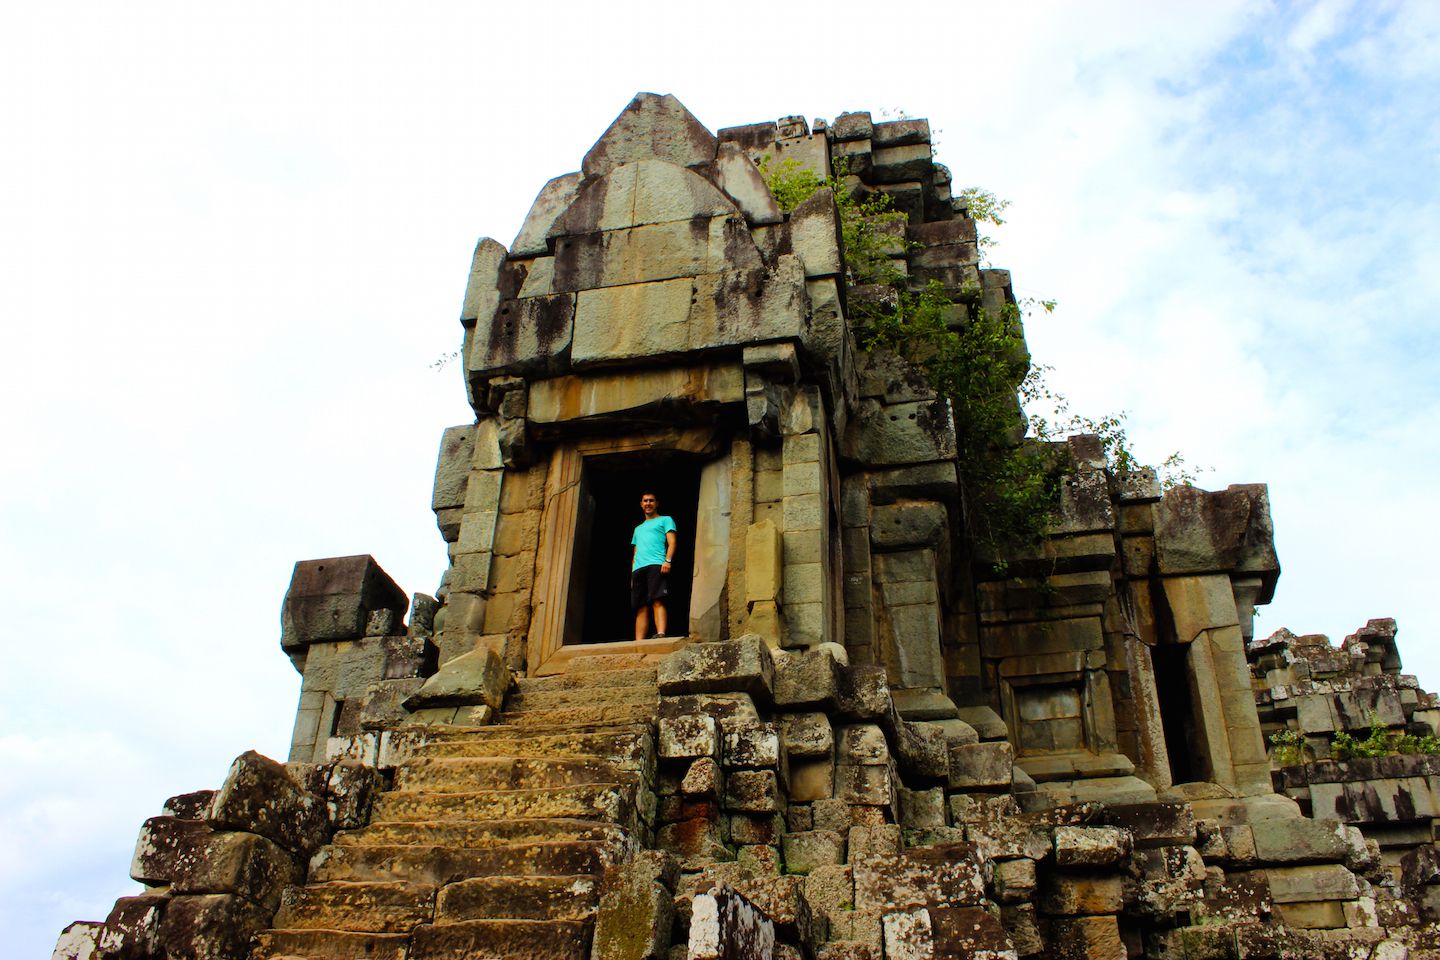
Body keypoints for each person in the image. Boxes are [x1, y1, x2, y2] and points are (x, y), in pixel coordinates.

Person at [631, 490, 677, 641]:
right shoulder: (638, 529)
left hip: (656, 564)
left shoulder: (665, 520)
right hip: (639, 568)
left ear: (657, 503)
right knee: (641, 606)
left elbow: (672, 542)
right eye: (645, 501)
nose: (648, 503)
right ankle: (638, 642)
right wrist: (632, 573)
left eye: (651, 500)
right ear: (641, 504)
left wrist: (668, 561)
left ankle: (661, 634)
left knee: (657, 600)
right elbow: (635, 552)